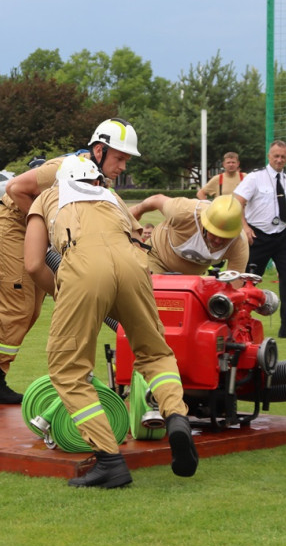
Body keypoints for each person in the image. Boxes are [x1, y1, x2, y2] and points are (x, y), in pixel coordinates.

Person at [24, 155, 197, 488]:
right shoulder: (112, 197)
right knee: (155, 352)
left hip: (84, 270)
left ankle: (109, 459)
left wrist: (64, 295)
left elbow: (33, 264)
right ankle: (176, 416)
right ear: (96, 180)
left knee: (68, 370)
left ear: (61, 180)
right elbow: (135, 236)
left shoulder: (48, 197)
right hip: (134, 267)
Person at [0, 118, 138, 404]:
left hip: (36, 232)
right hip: (13, 228)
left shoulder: (96, 179)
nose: (123, 167)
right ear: (100, 151)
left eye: (127, 160)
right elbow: (14, 188)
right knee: (20, 307)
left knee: (32, 312)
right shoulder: (61, 168)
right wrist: (44, 225)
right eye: (119, 158)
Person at [233, 140, 286, 338]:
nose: (279, 160)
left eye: (283, 157)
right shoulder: (255, 178)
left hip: (284, 236)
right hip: (258, 236)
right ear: (269, 156)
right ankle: (234, 323)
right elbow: (237, 202)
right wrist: (245, 228)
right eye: (276, 156)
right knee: (247, 281)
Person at [129, 194, 248, 276]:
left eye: (225, 237)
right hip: (157, 257)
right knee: (156, 302)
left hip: (191, 277)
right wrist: (136, 212)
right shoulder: (184, 212)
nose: (217, 240)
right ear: (205, 223)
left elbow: (234, 283)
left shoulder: (239, 244)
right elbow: (156, 199)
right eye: (214, 233)